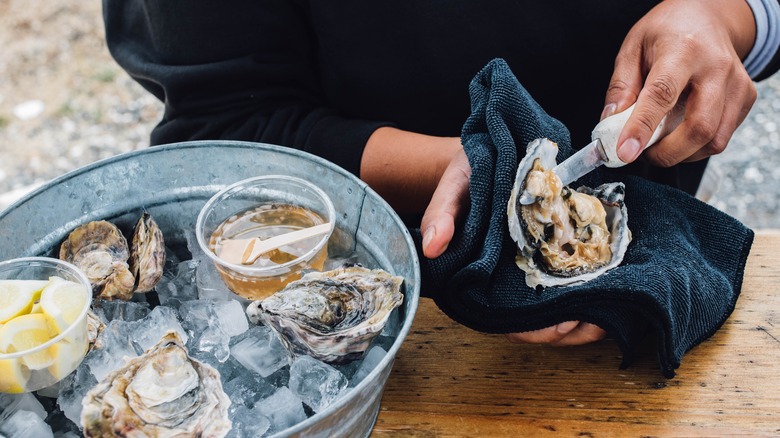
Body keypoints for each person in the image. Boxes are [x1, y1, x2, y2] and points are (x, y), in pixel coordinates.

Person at [103, 0, 779, 346]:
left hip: (662, 221)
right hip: (379, 295)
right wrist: (470, 169)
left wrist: (730, 17)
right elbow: (224, 126)